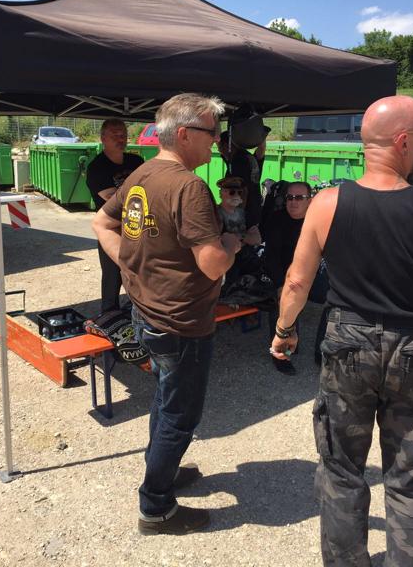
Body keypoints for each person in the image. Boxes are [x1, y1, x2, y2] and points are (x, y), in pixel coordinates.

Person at [270, 94, 413, 566]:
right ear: (403, 141)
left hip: (348, 347)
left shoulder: (326, 203)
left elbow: (296, 281)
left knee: (341, 472)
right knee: (408, 478)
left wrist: (284, 330)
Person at [92, 93, 241, 536]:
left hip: (149, 314)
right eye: (213, 132)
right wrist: (231, 244)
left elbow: (103, 223)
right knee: (180, 415)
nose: (217, 141)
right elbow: (212, 264)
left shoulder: (142, 173)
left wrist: (130, 266)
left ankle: (165, 470)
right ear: (186, 134)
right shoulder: (188, 186)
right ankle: (156, 507)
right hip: (182, 322)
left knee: (164, 397)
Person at [86, 118, 144, 312]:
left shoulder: (136, 161)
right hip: (112, 230)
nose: (121, 139)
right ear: (103, 138)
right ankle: (109, 317)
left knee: (139, 274)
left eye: (123, 135)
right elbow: (114, 201)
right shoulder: (97, 167)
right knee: (112, 277)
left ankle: (138, 312)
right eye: (115, 135)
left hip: (138, 227)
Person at [264, 182, 312, 375]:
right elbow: (271, 256)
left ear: (309, 200)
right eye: (289, 197)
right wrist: (279, 284)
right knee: (282, 304)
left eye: (299, 197)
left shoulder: (315, 221)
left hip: (310, 274)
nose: (293, 202)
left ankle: (321, 352)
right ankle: (281, 356)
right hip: (283, 274)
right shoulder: (277, 219)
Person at [217, 123, 269, 229]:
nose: (219, 150)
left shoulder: (237, 162)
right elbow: (261, 150)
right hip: (254, 211)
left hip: (242, 215)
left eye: (220, 147)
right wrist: (261, 133)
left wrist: (237, 217)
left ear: (227, 146)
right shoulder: (250, 158)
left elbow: (243, 191)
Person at [216, 175, 262, 293]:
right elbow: (219, 239)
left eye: (239, 193)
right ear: (222, 193)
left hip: (247, 258)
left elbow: (257, 239)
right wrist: (245, 237)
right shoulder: (215, 214)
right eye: (232, 192)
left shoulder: (244, 214)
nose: (236, 196)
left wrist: (239, 236)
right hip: (228, 259)